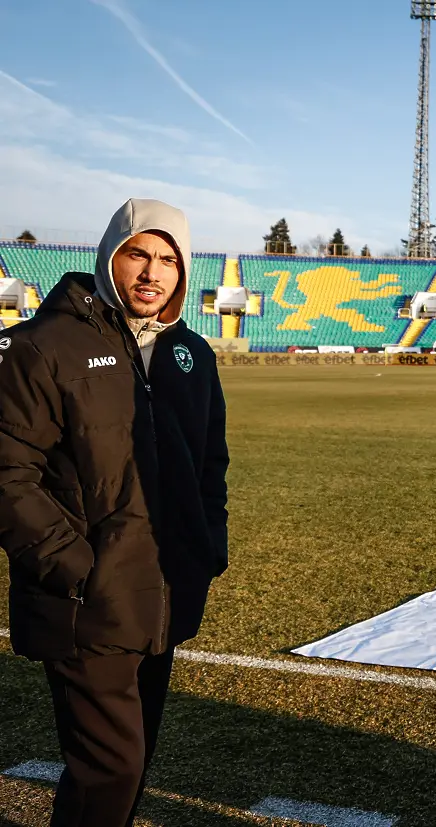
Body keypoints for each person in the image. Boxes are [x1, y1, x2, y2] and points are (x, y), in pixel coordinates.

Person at [0, 199, 228, 826]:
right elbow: (8, 472)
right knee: (111, 768)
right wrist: (74, 566)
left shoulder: (193, 355)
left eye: (168, 260)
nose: (152, 272)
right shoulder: (43, 347)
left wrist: (207, 548)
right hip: (87, 599)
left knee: (129, 765)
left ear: (183, 273)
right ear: (109, 256)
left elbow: (211, 465)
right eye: (138, 254)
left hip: (164, 591)